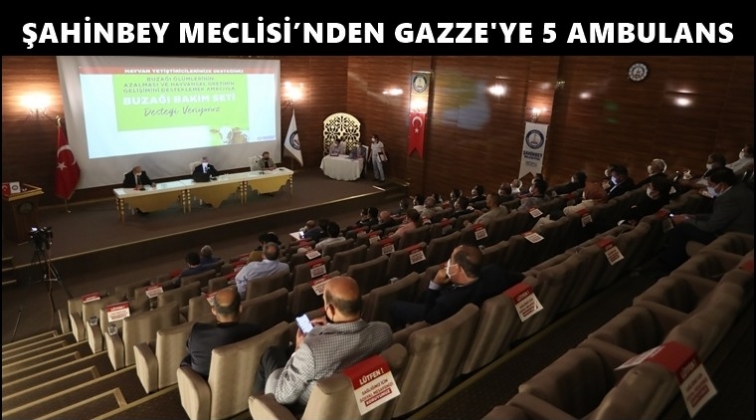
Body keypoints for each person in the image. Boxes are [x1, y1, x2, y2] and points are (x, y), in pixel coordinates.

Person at [254, 276, 393, 407]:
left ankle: (258, 407)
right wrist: (330, 328)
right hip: (350, 398)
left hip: (307, 404)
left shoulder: (310, 351)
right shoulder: (384, 331)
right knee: (280, 352)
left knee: (270, 354)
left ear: (330, 309)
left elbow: (283, 396)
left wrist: (298, 350)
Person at [389, 245, 523, 327]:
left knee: (395, 305)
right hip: (457, 297)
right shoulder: (495, 271)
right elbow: (522, 277)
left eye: (451, 260)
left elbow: (429, 316)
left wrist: (435, 284)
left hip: (439, 311)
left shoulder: (447, 302)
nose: (448, 263)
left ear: (458, 268)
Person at [658, 167, 754, 270]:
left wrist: (686, 220)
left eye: (710, 185)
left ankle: (667, 264)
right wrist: (694, 217)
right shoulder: (740, 188)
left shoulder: (728, 198)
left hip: (734, 238)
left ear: (721, 184)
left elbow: (711, 227)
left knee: (682, 229)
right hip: (737, 232)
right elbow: (719, 216)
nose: (708, 188)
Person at [180, 287, 261, 379]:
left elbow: (189, 350)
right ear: (240, 308)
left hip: (204, 382)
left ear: (213, 311)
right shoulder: (254, 330)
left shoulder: (197, 333)